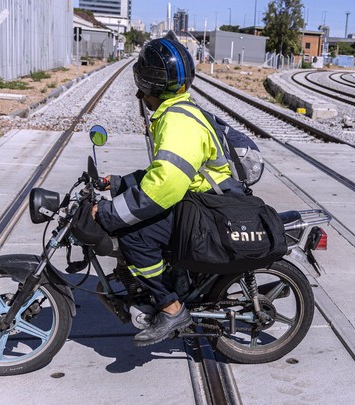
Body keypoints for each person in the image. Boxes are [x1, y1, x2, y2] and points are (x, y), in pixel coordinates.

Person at [92, 38, 244, 347]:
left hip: (209, 207)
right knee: (140, 218)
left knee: (135, 234)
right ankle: (173, 281)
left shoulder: (177, 122)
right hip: (201, 198)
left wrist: (109, 213)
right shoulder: (178, 110)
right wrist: (122, 183)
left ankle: (171, 308)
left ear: (146, 82)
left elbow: (163, 187)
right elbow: (167, 172)